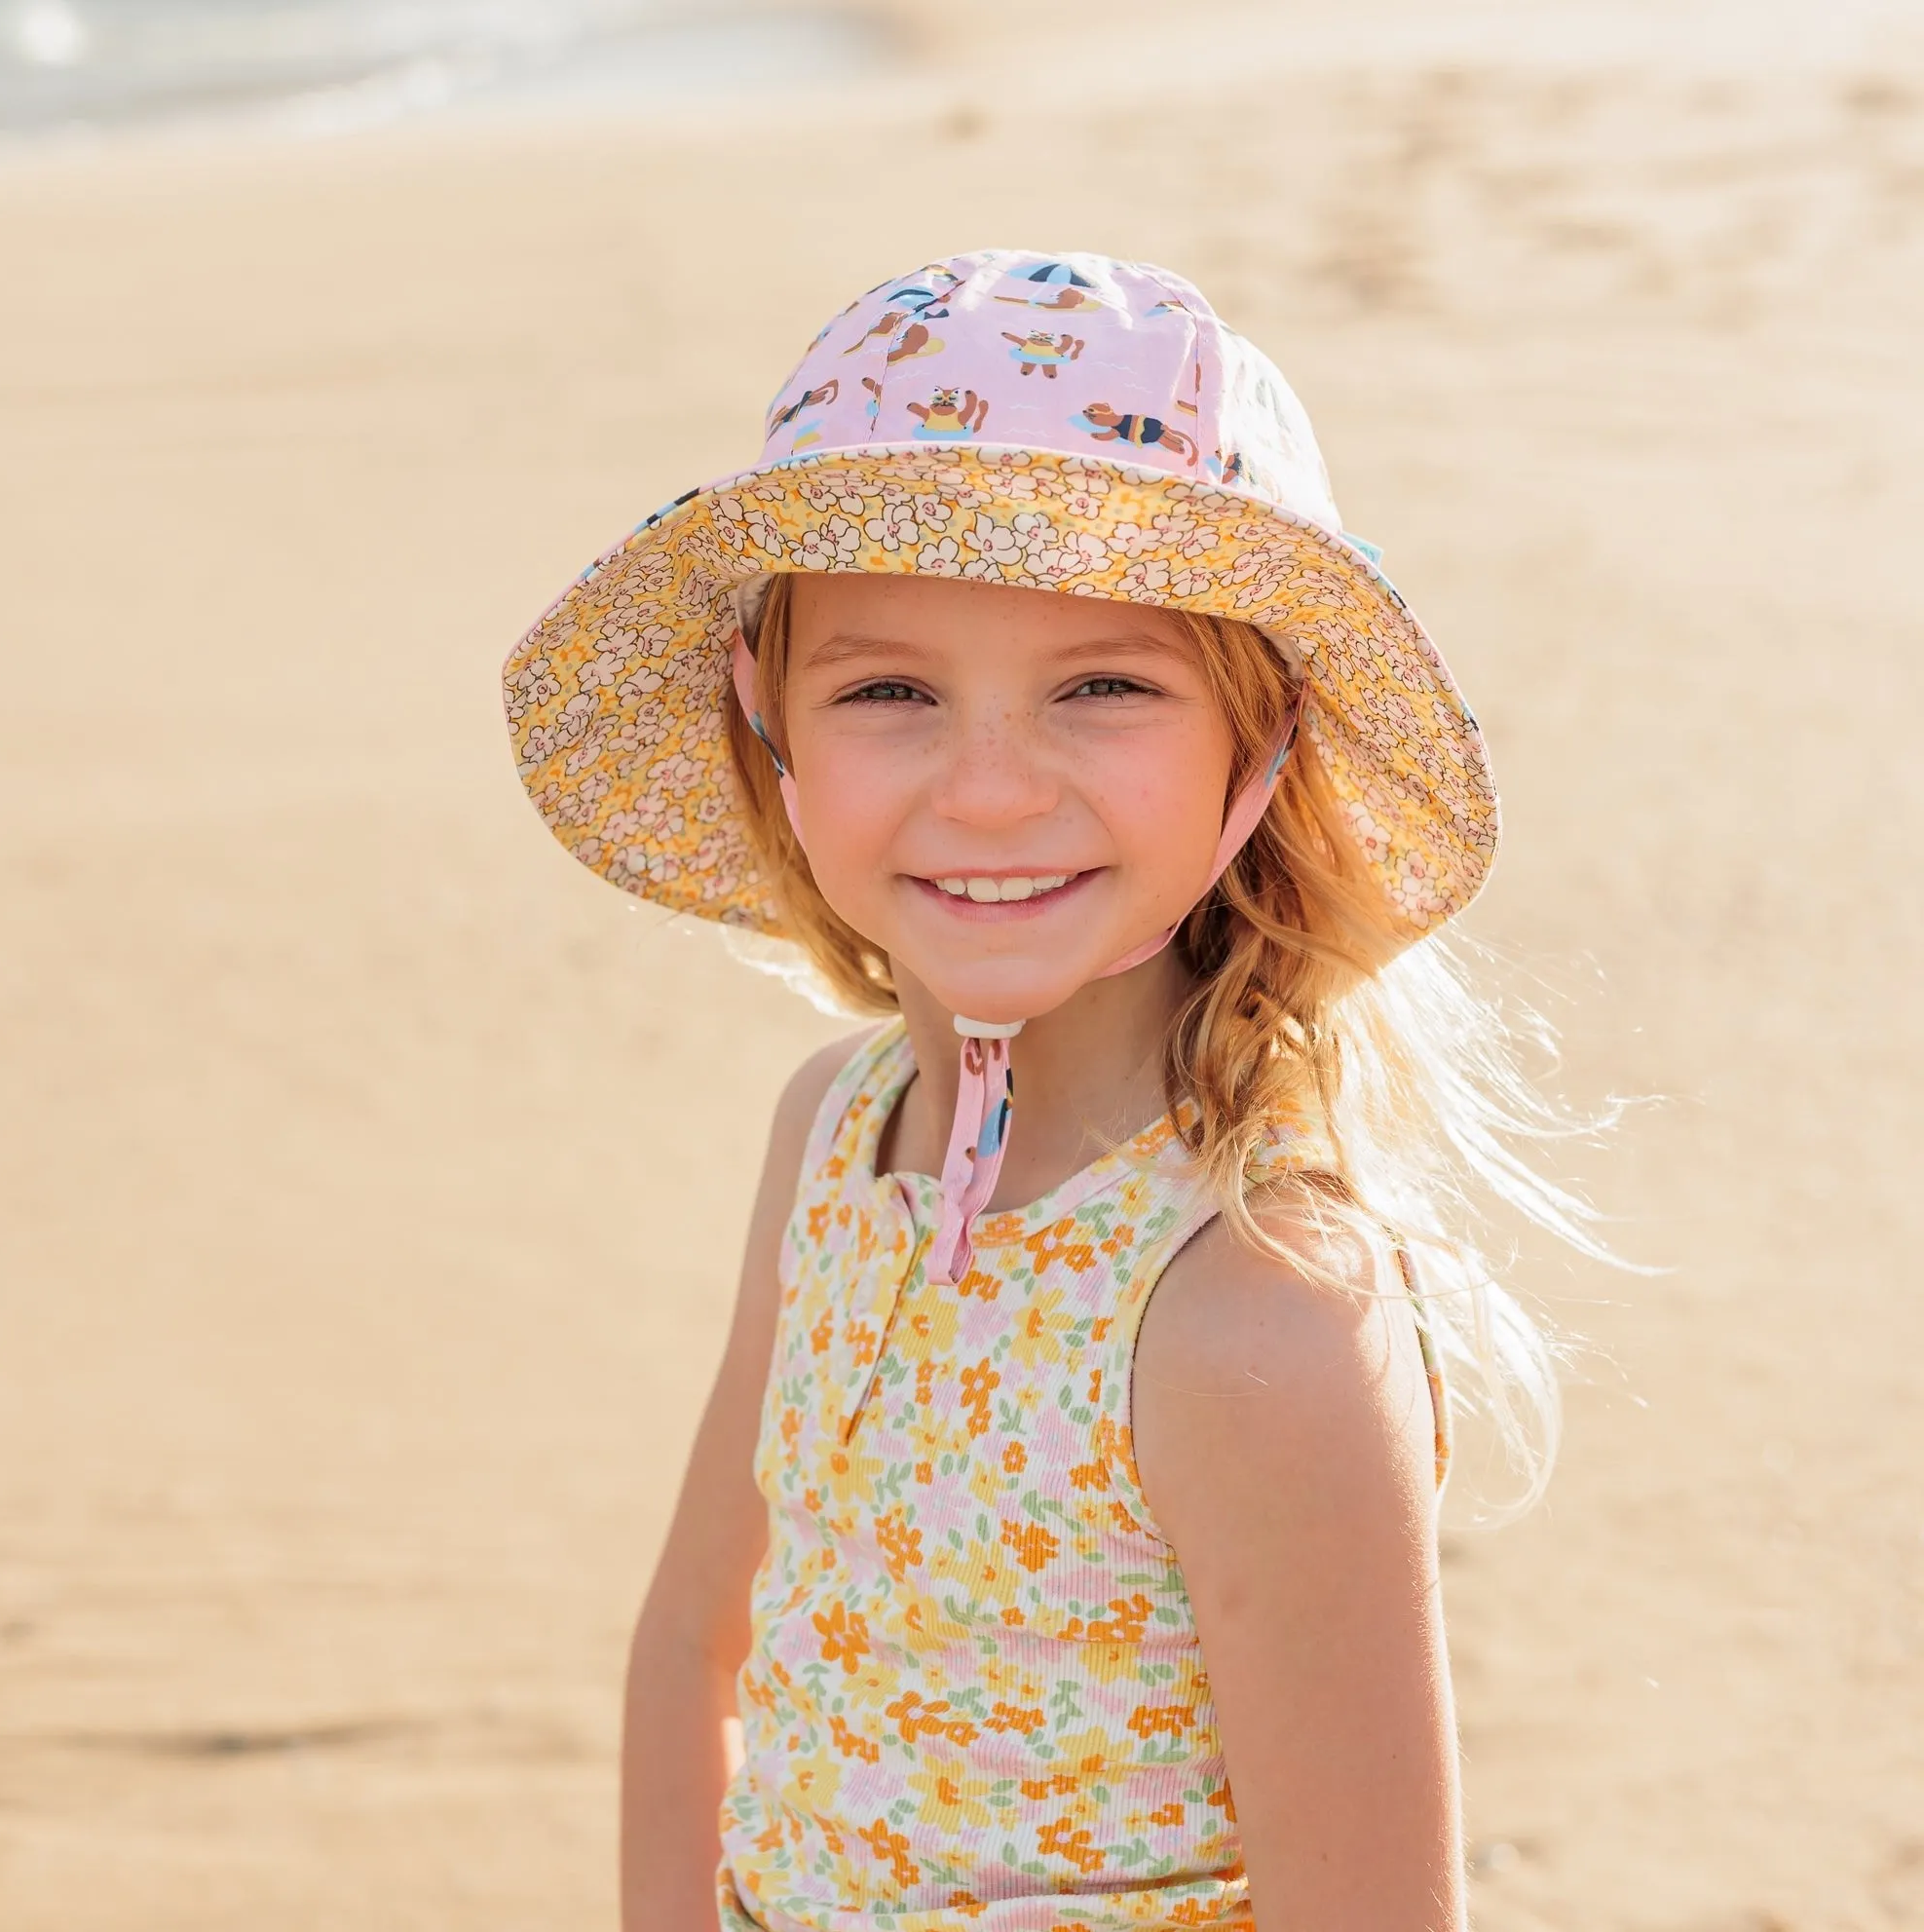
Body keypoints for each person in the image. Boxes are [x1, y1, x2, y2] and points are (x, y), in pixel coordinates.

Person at [502, 249, 1605, 1931]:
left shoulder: (1256, 1310)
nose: (995, 789)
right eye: (888, 690)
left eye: (1104, 685)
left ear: (1263, 744)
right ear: (766, 726)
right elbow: (691, 1645)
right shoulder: (829, 1134)